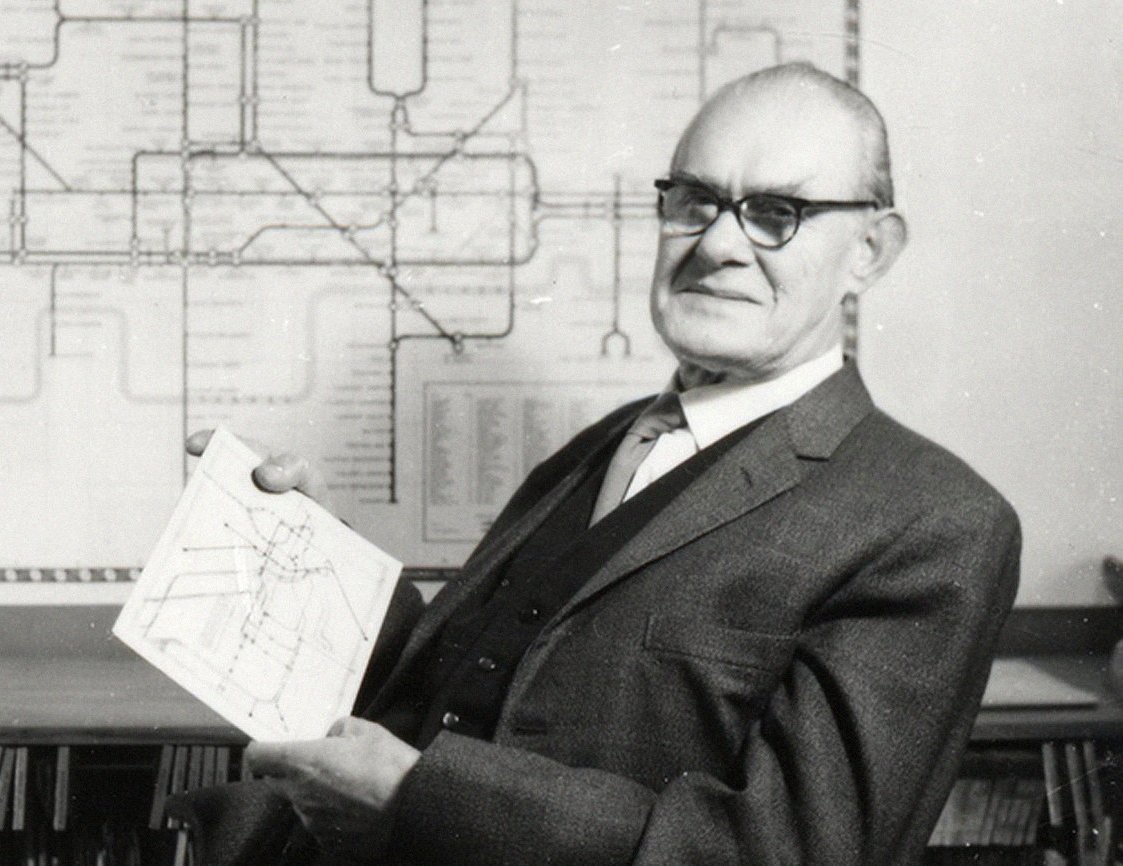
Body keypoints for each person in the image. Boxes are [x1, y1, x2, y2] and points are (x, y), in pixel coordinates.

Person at [173, 62, 1021, 865]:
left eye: (776, 213)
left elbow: (794, 852)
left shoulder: (933, 523)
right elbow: (470, 685)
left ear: (871, 250)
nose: (718, 244)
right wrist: (323, 566)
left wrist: (412, 800)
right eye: (695, 201)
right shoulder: (607, 443)